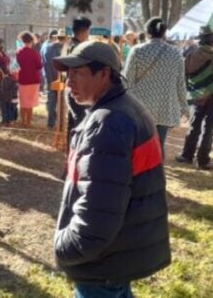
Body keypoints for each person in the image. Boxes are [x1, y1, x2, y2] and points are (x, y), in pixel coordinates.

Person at [51, 41, 171, 298]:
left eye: (78, 73)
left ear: (104, 74)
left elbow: (98, 210)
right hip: (117, 252)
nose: (69, 82)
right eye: (67, 74)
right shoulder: (123, 108)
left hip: (103, 259)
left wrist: (66, 247)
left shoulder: (108, 124)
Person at [123, 17, 188, 157]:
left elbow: (126, 80)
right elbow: (180, 83)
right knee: (159, 143)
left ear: (147, 33)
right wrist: (184, 106)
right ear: (164, 33)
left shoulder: (137, 51)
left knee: (139, 144)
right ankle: (157, 173)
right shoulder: (176, 53)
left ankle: (138, 173)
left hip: (140, 107)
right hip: (165, 107)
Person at [176, 25, 213, 170]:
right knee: (208, 129)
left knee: (193, 126)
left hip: (195, 97)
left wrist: (188, 93)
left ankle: (187, 155)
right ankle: (203, 160)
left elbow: (183, 76)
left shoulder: (190, 55)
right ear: (212, 40)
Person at [65, 17, 93, 141]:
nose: (88, 35)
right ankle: (74, 152)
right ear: (83, 32)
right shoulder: (78, 48)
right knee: (80, 122)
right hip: (77, 88)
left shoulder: (69, 45)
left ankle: (71, 152)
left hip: (72, 87)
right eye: (88, 32)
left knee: (74, 121)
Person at [16, 31, 43, 127]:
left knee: (23, 101)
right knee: (30, 102)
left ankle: (23, 120)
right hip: (33, 79)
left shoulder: (19, 52)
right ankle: (28, 121)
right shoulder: (34, 53)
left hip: (23, 78)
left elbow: (19, 63)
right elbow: (39, 66)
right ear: (31, 41)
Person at [42, 30, 64, 129]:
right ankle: (60, 123)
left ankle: (51, 122)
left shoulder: (45, 47)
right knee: (60, 102)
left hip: (48, 76)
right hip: (58, 79)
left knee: (51, 101)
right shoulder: (59, 49)